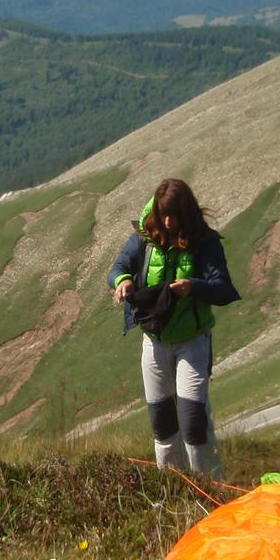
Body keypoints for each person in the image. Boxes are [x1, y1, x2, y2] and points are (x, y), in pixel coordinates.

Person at [107, 179, 240, 478]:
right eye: (164, 214)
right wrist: (122, 282)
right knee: (163, 422)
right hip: (154, 343)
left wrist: (194, 287)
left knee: (193, 420)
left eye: (175, 215)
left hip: (193, 342)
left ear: (187, 213)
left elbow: (223, 288)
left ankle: (211, 490)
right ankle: (171, 488)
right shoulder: (143, 238)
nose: (168, 222)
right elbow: (117, 269)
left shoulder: (204, 242)